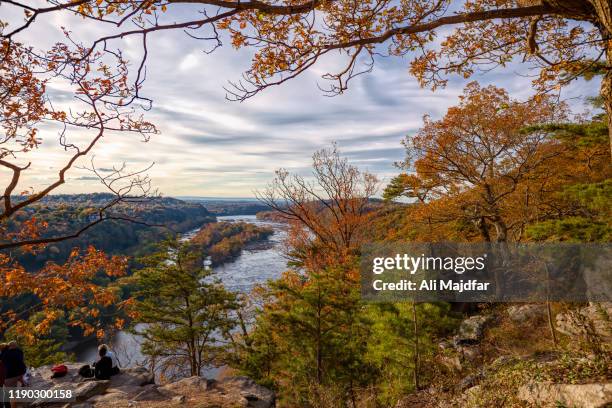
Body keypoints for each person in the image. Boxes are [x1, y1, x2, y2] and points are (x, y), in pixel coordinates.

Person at [2, 342, 26, 408]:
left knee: (10, 394)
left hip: (9, 376)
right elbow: (21, 362)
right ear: (16, 346)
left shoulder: (4, 353)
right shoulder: (19, 351)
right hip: (20, 372)